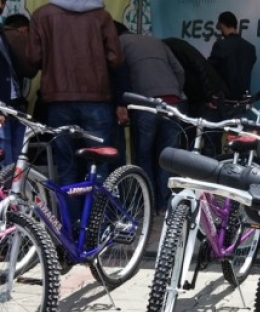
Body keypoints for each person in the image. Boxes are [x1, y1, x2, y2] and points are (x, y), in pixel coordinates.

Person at [27, 0, 123, 200]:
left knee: (66, 164)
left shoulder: (42, 15)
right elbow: (115, 58)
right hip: (96, 97)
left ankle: (71, 218)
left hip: (58, 99)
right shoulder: (101, 16)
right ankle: (98, 219)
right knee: (98, 164)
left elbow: (34, 58)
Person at [114, 22, 185, 214]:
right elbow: (179, 70)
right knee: (167, 157)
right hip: (172, 103)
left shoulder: (120, 43)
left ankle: (148, 205)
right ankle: (166, 205)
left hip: (145, 103)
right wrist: (173, 92)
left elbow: (119, 74)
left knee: (144, 155)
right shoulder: (156, 41)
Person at [0, 7, 37, 166]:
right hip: (5, 106)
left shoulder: (3, 34)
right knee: (9, 165)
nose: (1, 6)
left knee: (14, 166)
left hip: (12, 105)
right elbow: (30, 69)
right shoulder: (14, 35)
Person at [207, 11, 257, 119]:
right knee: (239, 129)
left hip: (225, 102)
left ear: (222, 25)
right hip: (243, 102)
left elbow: (210, 71)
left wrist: (210, 97)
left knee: (220, 128)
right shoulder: (250, 48)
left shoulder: (220, 45)